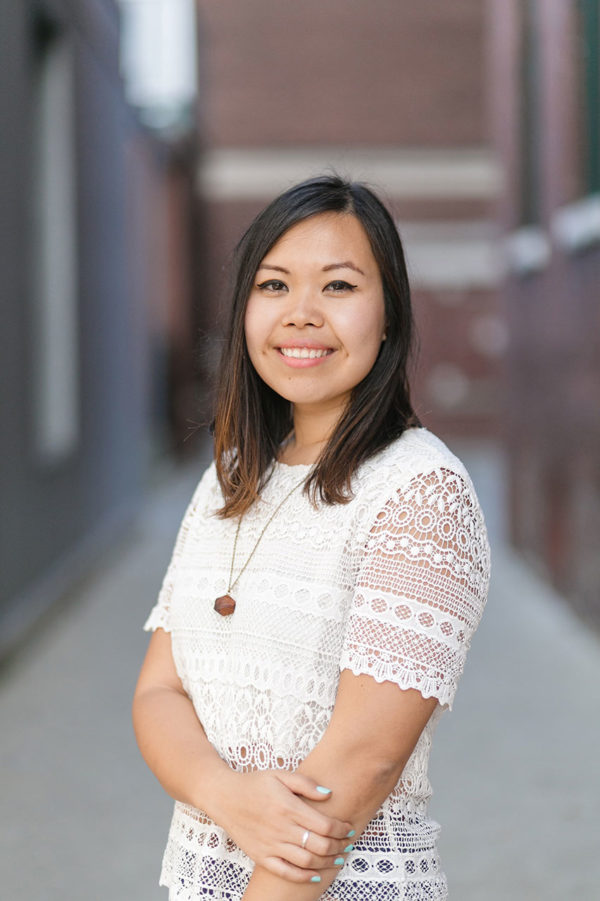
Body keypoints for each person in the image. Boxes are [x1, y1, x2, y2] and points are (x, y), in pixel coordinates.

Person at [133, 175, 491, 901]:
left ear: (388, 315)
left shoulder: (420, 492)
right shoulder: (230, 480)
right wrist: (225, 793)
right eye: (273, 286)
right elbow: (158, 691)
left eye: (337, 286)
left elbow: (356, 773)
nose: (300, 315)